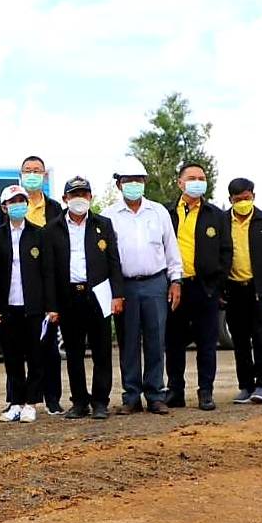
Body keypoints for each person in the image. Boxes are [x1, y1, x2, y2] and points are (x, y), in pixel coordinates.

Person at [103, 157, 182, 415]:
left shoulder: (158, 212)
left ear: (145, 182)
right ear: (118, 184)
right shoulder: (108, 216)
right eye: (128, 180)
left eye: (138, 180)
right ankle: (131, 396)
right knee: (128, 342)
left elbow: (171, 248)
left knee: (156, 340)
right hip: (124, 285)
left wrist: (175, 281)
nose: (133, 184)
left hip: (155, 283)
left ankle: (155, 394)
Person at [47, 176, 125, 420]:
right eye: (74, 195)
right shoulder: (52, 228)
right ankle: (79, 401)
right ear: (65, 198)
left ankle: (100, 401)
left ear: (90, 197)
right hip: (69, 296)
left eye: (84, 194)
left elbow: (114, 263)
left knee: (102, 351)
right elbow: (48, 271)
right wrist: (51, 305)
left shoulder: (103, 224)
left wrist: (118, 295)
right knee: (74, 353)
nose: (79, 199)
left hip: (99, 295)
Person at [0, 185, 57, 423]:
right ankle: (16, 402)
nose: (18, 205)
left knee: (36, 356)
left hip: (34, 307)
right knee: (12, 357)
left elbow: (48, 273)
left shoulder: (40, 234)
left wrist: (51, 306)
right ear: (4, 207)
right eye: (13, 201)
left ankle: (31, 402)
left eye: (21, 201)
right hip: (7, 307)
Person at [165, 163, 232, 411]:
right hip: (174, 287)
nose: (197, 182)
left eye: (201, 178)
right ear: (179, 183)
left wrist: (216, 284)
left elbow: (226, 252)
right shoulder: (166, 213)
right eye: (191, 178)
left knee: (206, 342)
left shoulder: (216, 215)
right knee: (173, 342)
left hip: (205, 288)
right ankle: (175, 390)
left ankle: (206, 391)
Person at [224, 178, 262, 404]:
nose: (243, 203)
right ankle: (246, 385)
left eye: (247, 198)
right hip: (233, 289)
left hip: (259, 289)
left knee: (261, 338)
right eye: (238, 199)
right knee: (239, 340)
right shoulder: (223, 222)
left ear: (253, 196)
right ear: (230, 199)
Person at [19, 154, 65, 414]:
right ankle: (22, 399)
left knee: (49, 345)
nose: (32, 175)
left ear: (44, 175)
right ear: (21, 174)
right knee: (23, 348)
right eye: (28, 170)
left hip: (48, 283)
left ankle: (53, 398)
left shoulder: (55, 208)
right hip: (20, 285)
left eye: (37, 170)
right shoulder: (13, 204)